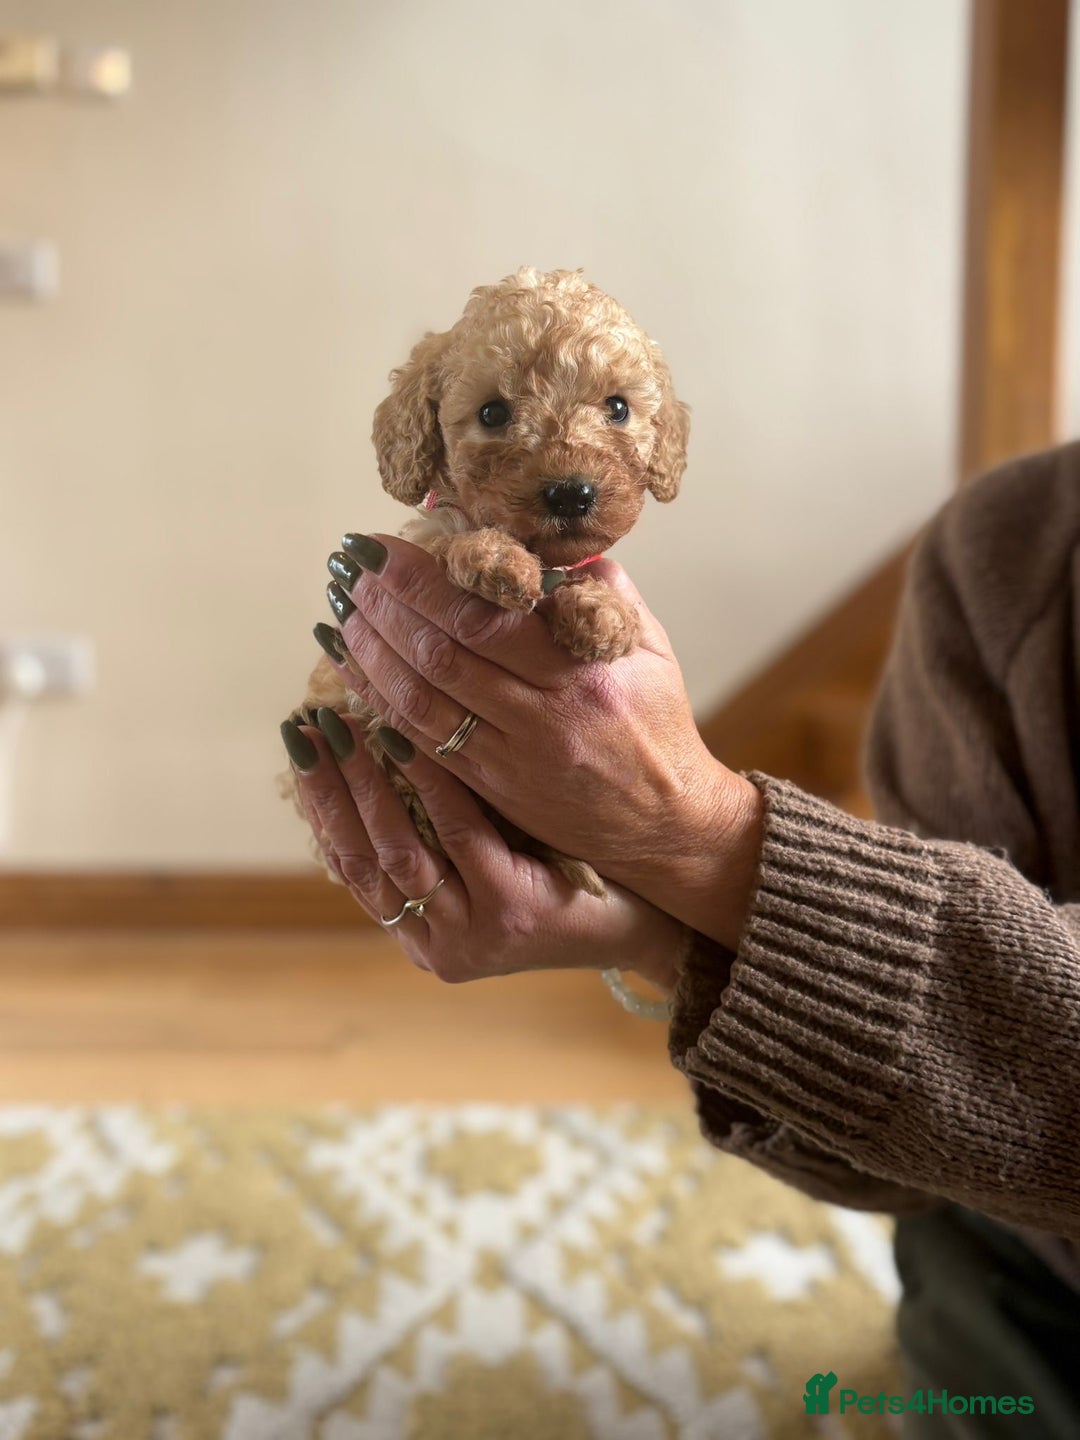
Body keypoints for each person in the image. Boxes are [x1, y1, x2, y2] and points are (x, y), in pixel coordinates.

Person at [281, 442, 1080, 1437]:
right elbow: (925, 1140)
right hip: (1021, 1256)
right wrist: (664, 940)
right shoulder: (1010, 553)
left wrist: (707, 838)